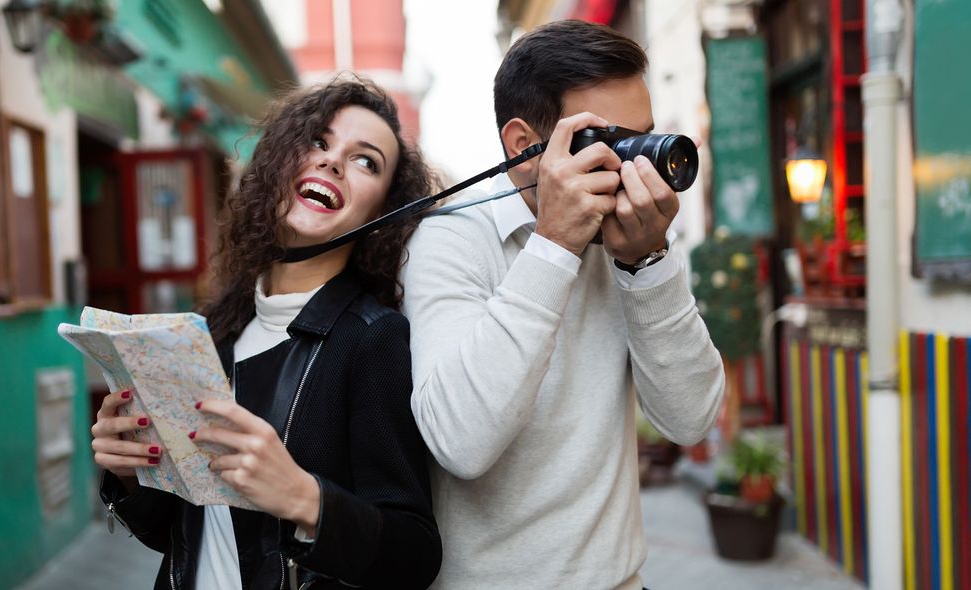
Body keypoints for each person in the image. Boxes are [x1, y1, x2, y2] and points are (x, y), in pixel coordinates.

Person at [400, 19, 726, 589]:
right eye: (614, 143)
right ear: (524, 149)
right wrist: (554, 246)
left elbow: (690, 421)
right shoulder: (451, 239)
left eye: (643, 138)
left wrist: (647, 264)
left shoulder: (628, 239)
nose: (639, 170)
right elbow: (461, 442)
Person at [90, 78, 442, 590]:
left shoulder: (374, 339)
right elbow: (186, 537)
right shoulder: (215, 332)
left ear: (381, 212)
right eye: (318, 142)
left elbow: (414, 555)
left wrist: (304, 498)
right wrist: (129, 472)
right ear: (278, 163)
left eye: (366, 161)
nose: (333, 162)